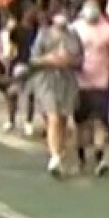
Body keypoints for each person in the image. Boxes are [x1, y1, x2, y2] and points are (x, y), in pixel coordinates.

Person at [72, 0, 109, 176]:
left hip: (102, 82)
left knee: (101, 121)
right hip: (80, 82)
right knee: (81, 124)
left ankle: (100, 157)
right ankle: (81, 158)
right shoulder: (75, 28)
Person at [30, 13, 83, 177]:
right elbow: (33, 59)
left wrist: (68, 60)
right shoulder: (43, 35)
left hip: (67, 81)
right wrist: (48, 59)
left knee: (62, 119)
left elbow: (80, 60)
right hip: (46, 80)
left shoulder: (73, 36)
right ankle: (54, 157)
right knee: (52, 116)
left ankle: (59, 152)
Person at [0, 10, 38, 134]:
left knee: (16, 94)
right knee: (24, 94)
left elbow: (11, 46)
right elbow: (12, 45)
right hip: (27, 63)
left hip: (22, 63)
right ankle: (24, 122)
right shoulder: (36, 30)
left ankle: (14, 121)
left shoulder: (20, 29)